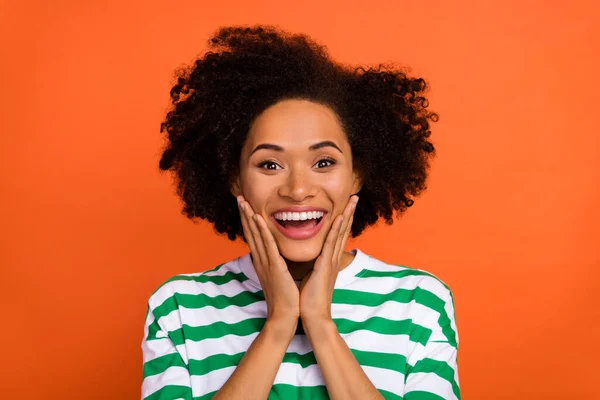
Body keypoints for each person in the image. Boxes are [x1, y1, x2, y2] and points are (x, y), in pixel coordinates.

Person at [141, 24, 460, 400]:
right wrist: (278, 324)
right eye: (270, 165)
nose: (297, 190)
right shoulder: (179, 307)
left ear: (357, 174)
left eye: (323, 162)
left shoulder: (418, 302)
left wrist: (320, 324)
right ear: (234, 180)